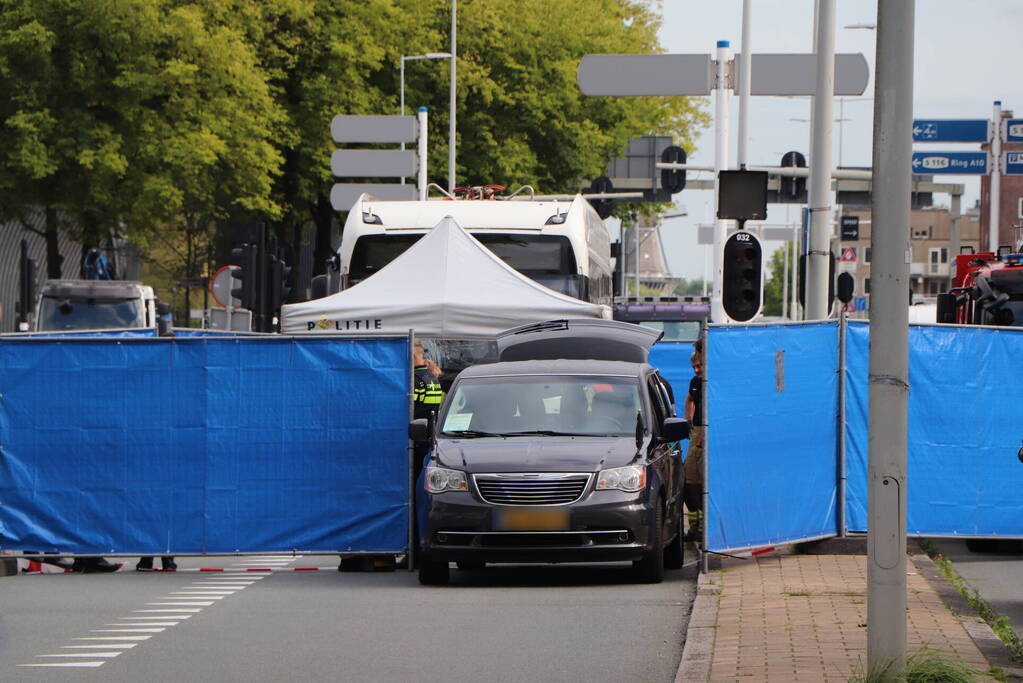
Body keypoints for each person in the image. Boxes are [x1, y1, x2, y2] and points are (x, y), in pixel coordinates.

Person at [683, 339, 705, 543]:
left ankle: (702, 528)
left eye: (700, 365)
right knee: (689, 479)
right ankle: (694, 527)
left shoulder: (712, 383)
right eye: (694, 366)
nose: (697, 369)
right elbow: (689, 398)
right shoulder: (696, 382)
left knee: (700, 481)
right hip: (697, 432)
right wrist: (688, 420)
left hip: (705, 435)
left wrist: (704, 435)